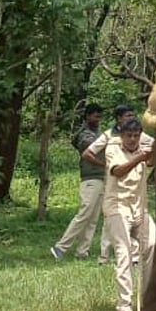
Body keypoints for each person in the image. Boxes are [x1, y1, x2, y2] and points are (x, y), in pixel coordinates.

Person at [83, 104, 154, 264]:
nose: (131, 118)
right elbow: (88, 153)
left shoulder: (138, 135)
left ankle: (134, 258)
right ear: (119, 119)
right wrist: (105, 165)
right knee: (112, 222)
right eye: (128, 116)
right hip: (115, 185)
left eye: (132, 115)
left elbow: (154, 148)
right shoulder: (109, 136)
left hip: (134, 188)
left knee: (136, 223)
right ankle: (104, 256)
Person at [102, 118, 156, 311]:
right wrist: (140, 157)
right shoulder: (113, 149)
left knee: (152, 244)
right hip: (117, 207)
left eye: (136, 135)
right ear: (122, 135)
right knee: (124, 252)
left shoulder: (144, 148)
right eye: (129, 135)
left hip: (139, 207)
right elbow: (118, 171)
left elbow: (153, 161)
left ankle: (148, 302)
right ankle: (124, 309)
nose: (133, 139)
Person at [50, 103, 111, 260]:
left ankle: (82, 251)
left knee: (93, 218)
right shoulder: (84, 134)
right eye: (95, 116)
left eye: (99, 116)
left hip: (101, 177)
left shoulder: (98, 133)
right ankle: (60, 247)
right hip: (90, 178)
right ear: (88, 116)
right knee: (84, 214)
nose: (98, 119)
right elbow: (89, 147)